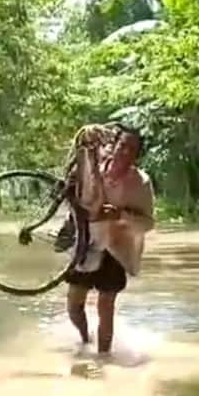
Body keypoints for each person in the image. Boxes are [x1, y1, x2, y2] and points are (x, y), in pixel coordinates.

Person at [56, 123, 154, 355]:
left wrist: (121, 215)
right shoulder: (95, 166)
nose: (125, 153)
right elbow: (78, 161)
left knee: (106, 307)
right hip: (87, 241)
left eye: (132, 149)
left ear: (137, 155)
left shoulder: (141, 183)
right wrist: (86, 134)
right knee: (74, 305)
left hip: (116, 249)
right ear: (114, 146)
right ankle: (84, 339)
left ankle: (103, 360)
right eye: (122, 146)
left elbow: (148, 224)